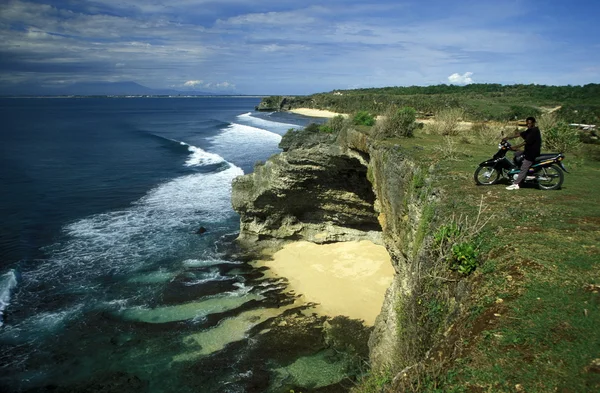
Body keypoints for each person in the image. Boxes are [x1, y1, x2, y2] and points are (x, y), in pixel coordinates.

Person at [502, 116, 542, 190]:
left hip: (532, 153)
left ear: (533, 123)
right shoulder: (530, 130)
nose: (528, 125)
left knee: (524, 167)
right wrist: (508, 137)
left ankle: (516, 184)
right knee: (516, 154)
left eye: (530, 123)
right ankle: (517, 171)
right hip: (528, 151)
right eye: (527, 123)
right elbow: (520, 134)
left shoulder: (534, 131)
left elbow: (526, 142)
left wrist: (515, 146)